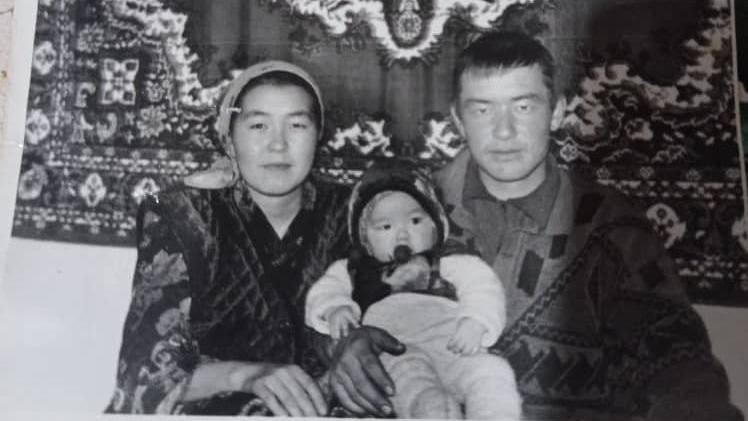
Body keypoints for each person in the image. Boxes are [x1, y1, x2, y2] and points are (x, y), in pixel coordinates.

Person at [325, 32, 744, 420]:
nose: (504, 131)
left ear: (557, 111)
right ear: (457, 120)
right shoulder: (398, 213)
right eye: (482, 109)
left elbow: (676, 356)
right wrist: (342, 344)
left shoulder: (612, 226)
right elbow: (326, 302)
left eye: (523, 107)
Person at [104, 61, 351, 416]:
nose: (278, 144)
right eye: (258, 125)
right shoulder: (183, 215)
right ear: (229, 139)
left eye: (297, 125)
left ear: (318, 136)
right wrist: (245, 375)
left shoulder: (353, 215)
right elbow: (142, 375)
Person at [305, 161, 522, 419]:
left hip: (454, 349)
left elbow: (483, 285)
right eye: (385, 227)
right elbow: (324, 292)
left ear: (436, 226)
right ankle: (433, 410)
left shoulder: (449, 262)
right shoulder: (352, 270)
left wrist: (477, 321)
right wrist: (335, 309)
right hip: (396, 352)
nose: (402, 236)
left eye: (415, 221)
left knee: (493, 371)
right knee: (413, 386)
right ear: (365, 240)